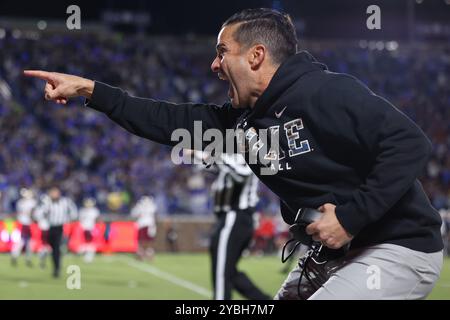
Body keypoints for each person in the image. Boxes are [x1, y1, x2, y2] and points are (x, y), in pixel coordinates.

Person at [24, 7, 443, 299]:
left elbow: (410, 144)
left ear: (256, 56)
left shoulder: (325, 91)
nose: (213, 64)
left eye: (222, 51)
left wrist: (351, 217)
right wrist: (91, 91)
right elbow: (165, 120)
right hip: (334, 255)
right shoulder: (243, 121)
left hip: (397, 247)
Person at [191, 150, 270, 300]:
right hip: (230, 219)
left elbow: (242, 173)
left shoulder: (247, 154)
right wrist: (197, 154)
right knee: (229, 272)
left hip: (235, 216)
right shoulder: (229, 157)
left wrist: (214, 155)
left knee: (221, 271)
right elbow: (209, 165)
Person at [34, 186, 77, 277]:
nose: (53, 194)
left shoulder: (65, 202)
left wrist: (70, 219)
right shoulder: (47, 202)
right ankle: (49, 261)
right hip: (49, 227)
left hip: (60, 227)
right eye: (52, 192)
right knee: (51, 247)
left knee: (56, 249)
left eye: (55, 192)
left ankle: (56, 269)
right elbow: (39, 213)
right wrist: (40, 217)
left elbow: (73, 211)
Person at [11, 188, 37, 267]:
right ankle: (22, 257)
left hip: (24, 223)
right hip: (26, 223)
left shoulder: (21, 202)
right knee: (24, 242)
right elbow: (32, 213)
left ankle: (17, 256)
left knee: (25, 242)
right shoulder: (30, 202)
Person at [131, 195, 157, 261]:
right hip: (148, 224)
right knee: (148, 241)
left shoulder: (140, 206)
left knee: (142, 241)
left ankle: (142, 254)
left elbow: (134, 214)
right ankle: (147, 253)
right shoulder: (152, 206)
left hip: (142, 224)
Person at [78, 198, 100, 263]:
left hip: (91, 228)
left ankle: (89, 254)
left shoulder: (94, 211)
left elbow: (97, 219)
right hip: (84, 228)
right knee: (85, 241)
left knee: (89, 241)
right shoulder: (82, 211)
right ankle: (87, 253)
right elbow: (80, 219)